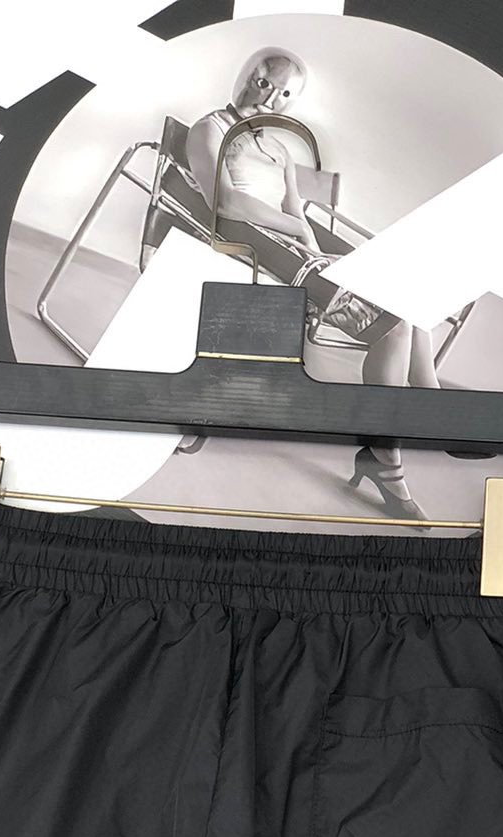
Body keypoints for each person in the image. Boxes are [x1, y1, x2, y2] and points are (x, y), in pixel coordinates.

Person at [186, 46, 441, 515]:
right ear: (245, 75)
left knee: (405, 294)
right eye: (264, 82)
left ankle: (432, 402)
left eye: (285, 93)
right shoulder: (211, 128)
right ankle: (388, 461)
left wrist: (318, 250)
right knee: (393, 328)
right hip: (251, 246)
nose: (270, 97)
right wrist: (296, 234)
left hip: (290, 249)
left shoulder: (279, 150)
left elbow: (295, 212)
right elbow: (224, 203)